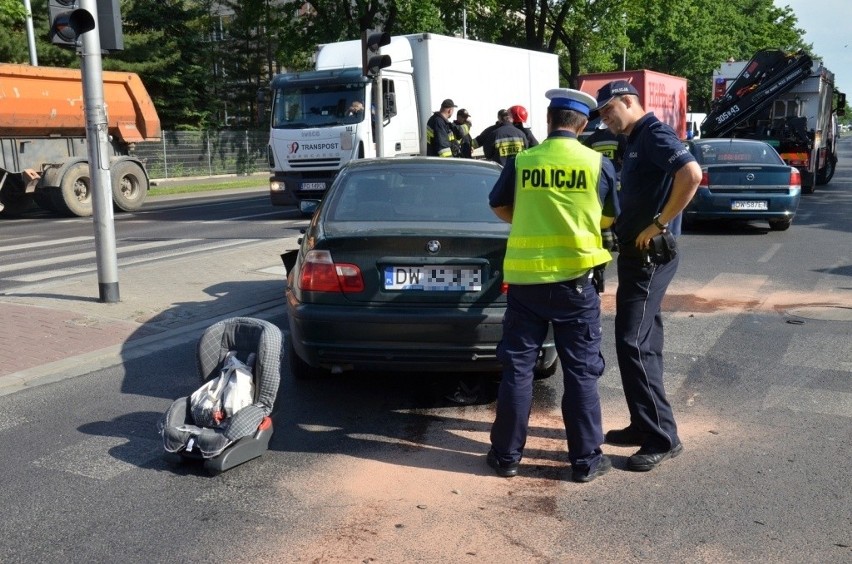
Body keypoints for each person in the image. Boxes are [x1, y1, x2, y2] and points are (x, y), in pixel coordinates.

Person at [486, 88, 619, 483]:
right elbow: (611, 217)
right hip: (576, 285)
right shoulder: (598, 163)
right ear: (583, 125)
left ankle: (506, 457)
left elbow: (497, 205)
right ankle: (584, 461)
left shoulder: (523, 160)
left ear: (548, 121)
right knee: (580, 372)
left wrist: (531, 217)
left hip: (526, 284)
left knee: (518, 370)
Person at [593, 80, 702, 472]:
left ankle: (663, 437)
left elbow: (691, 174)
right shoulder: (634, 138)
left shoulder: (653, 132)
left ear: (628, 101)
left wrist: (659, 224)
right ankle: (644, 423)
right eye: (601, 115)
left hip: (651, 257)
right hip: (637, 257)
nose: (605, 120)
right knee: (643, 342)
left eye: (608, 111)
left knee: (632, 342)